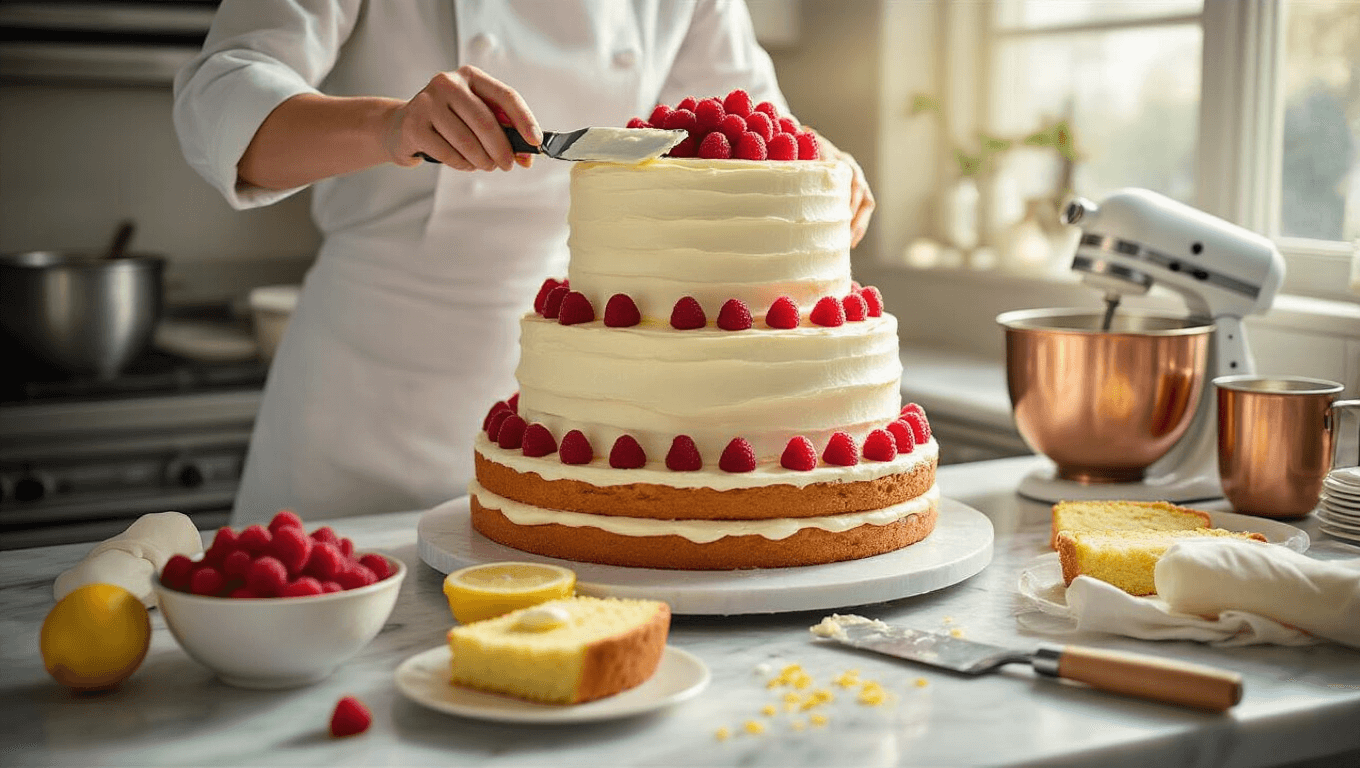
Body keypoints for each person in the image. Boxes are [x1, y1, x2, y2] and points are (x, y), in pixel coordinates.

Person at [174, 0, 876, 525]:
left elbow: (746, 124)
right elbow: (221, 99)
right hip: (365, 402)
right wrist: (390, 126)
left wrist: (820, 161)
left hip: (586, 407)